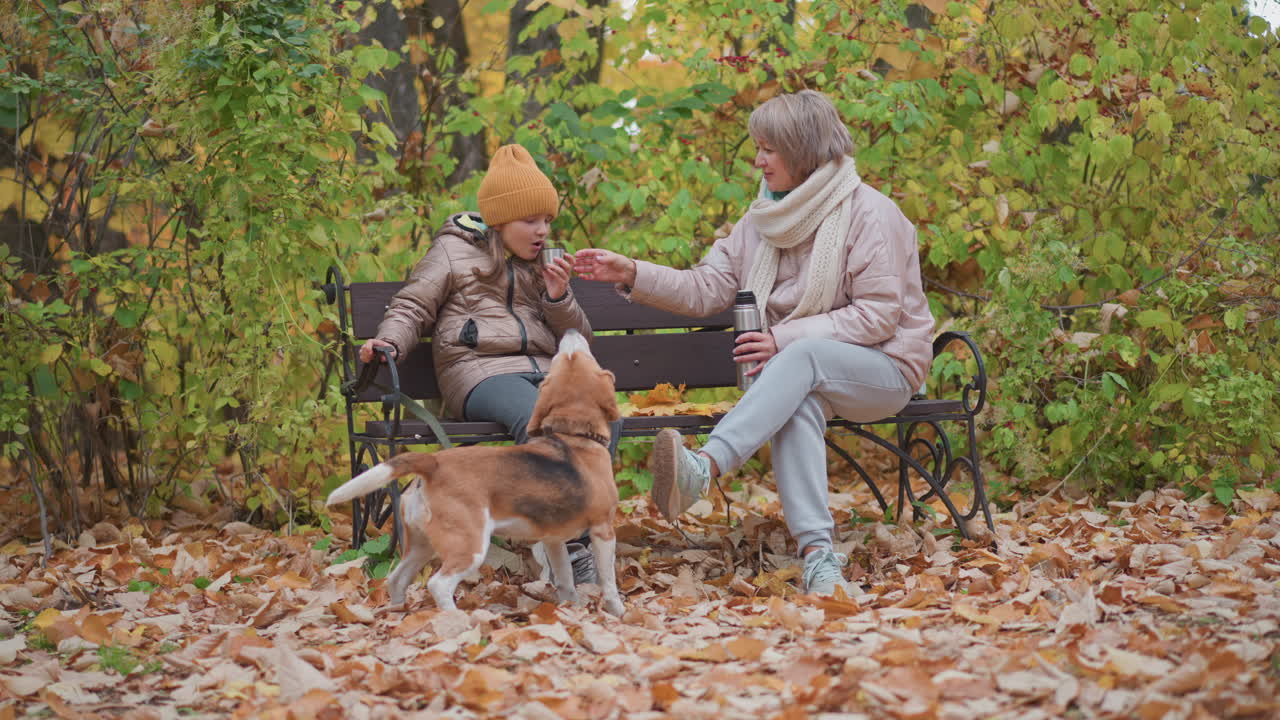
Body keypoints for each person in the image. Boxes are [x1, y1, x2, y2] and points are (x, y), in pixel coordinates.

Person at [573, 90, 935, 596]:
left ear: (803, 149)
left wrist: (781, 337)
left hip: (884, 368)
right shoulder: (764, 220)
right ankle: (819, 557)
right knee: (798, 400)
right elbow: (705, 289)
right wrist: (633, 272)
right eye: (756, 148)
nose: (758, 160)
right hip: (805, 373)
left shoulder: (871, 214)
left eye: (769, 149)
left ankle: (706, 467)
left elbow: (879, 315)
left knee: (800, 356)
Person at [359, 144, 611, 585]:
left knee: (601, 425)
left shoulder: (544, 264)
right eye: (530, 220)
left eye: (547, 221)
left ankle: (577, 534)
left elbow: (580, 340)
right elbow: (412, 305)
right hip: (478, 372)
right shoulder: (453, 253)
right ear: (499, 220)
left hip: (541, 370)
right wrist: (389, 342)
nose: (542, 231)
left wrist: (558, 297)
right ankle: (567, 552)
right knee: (539, 424)